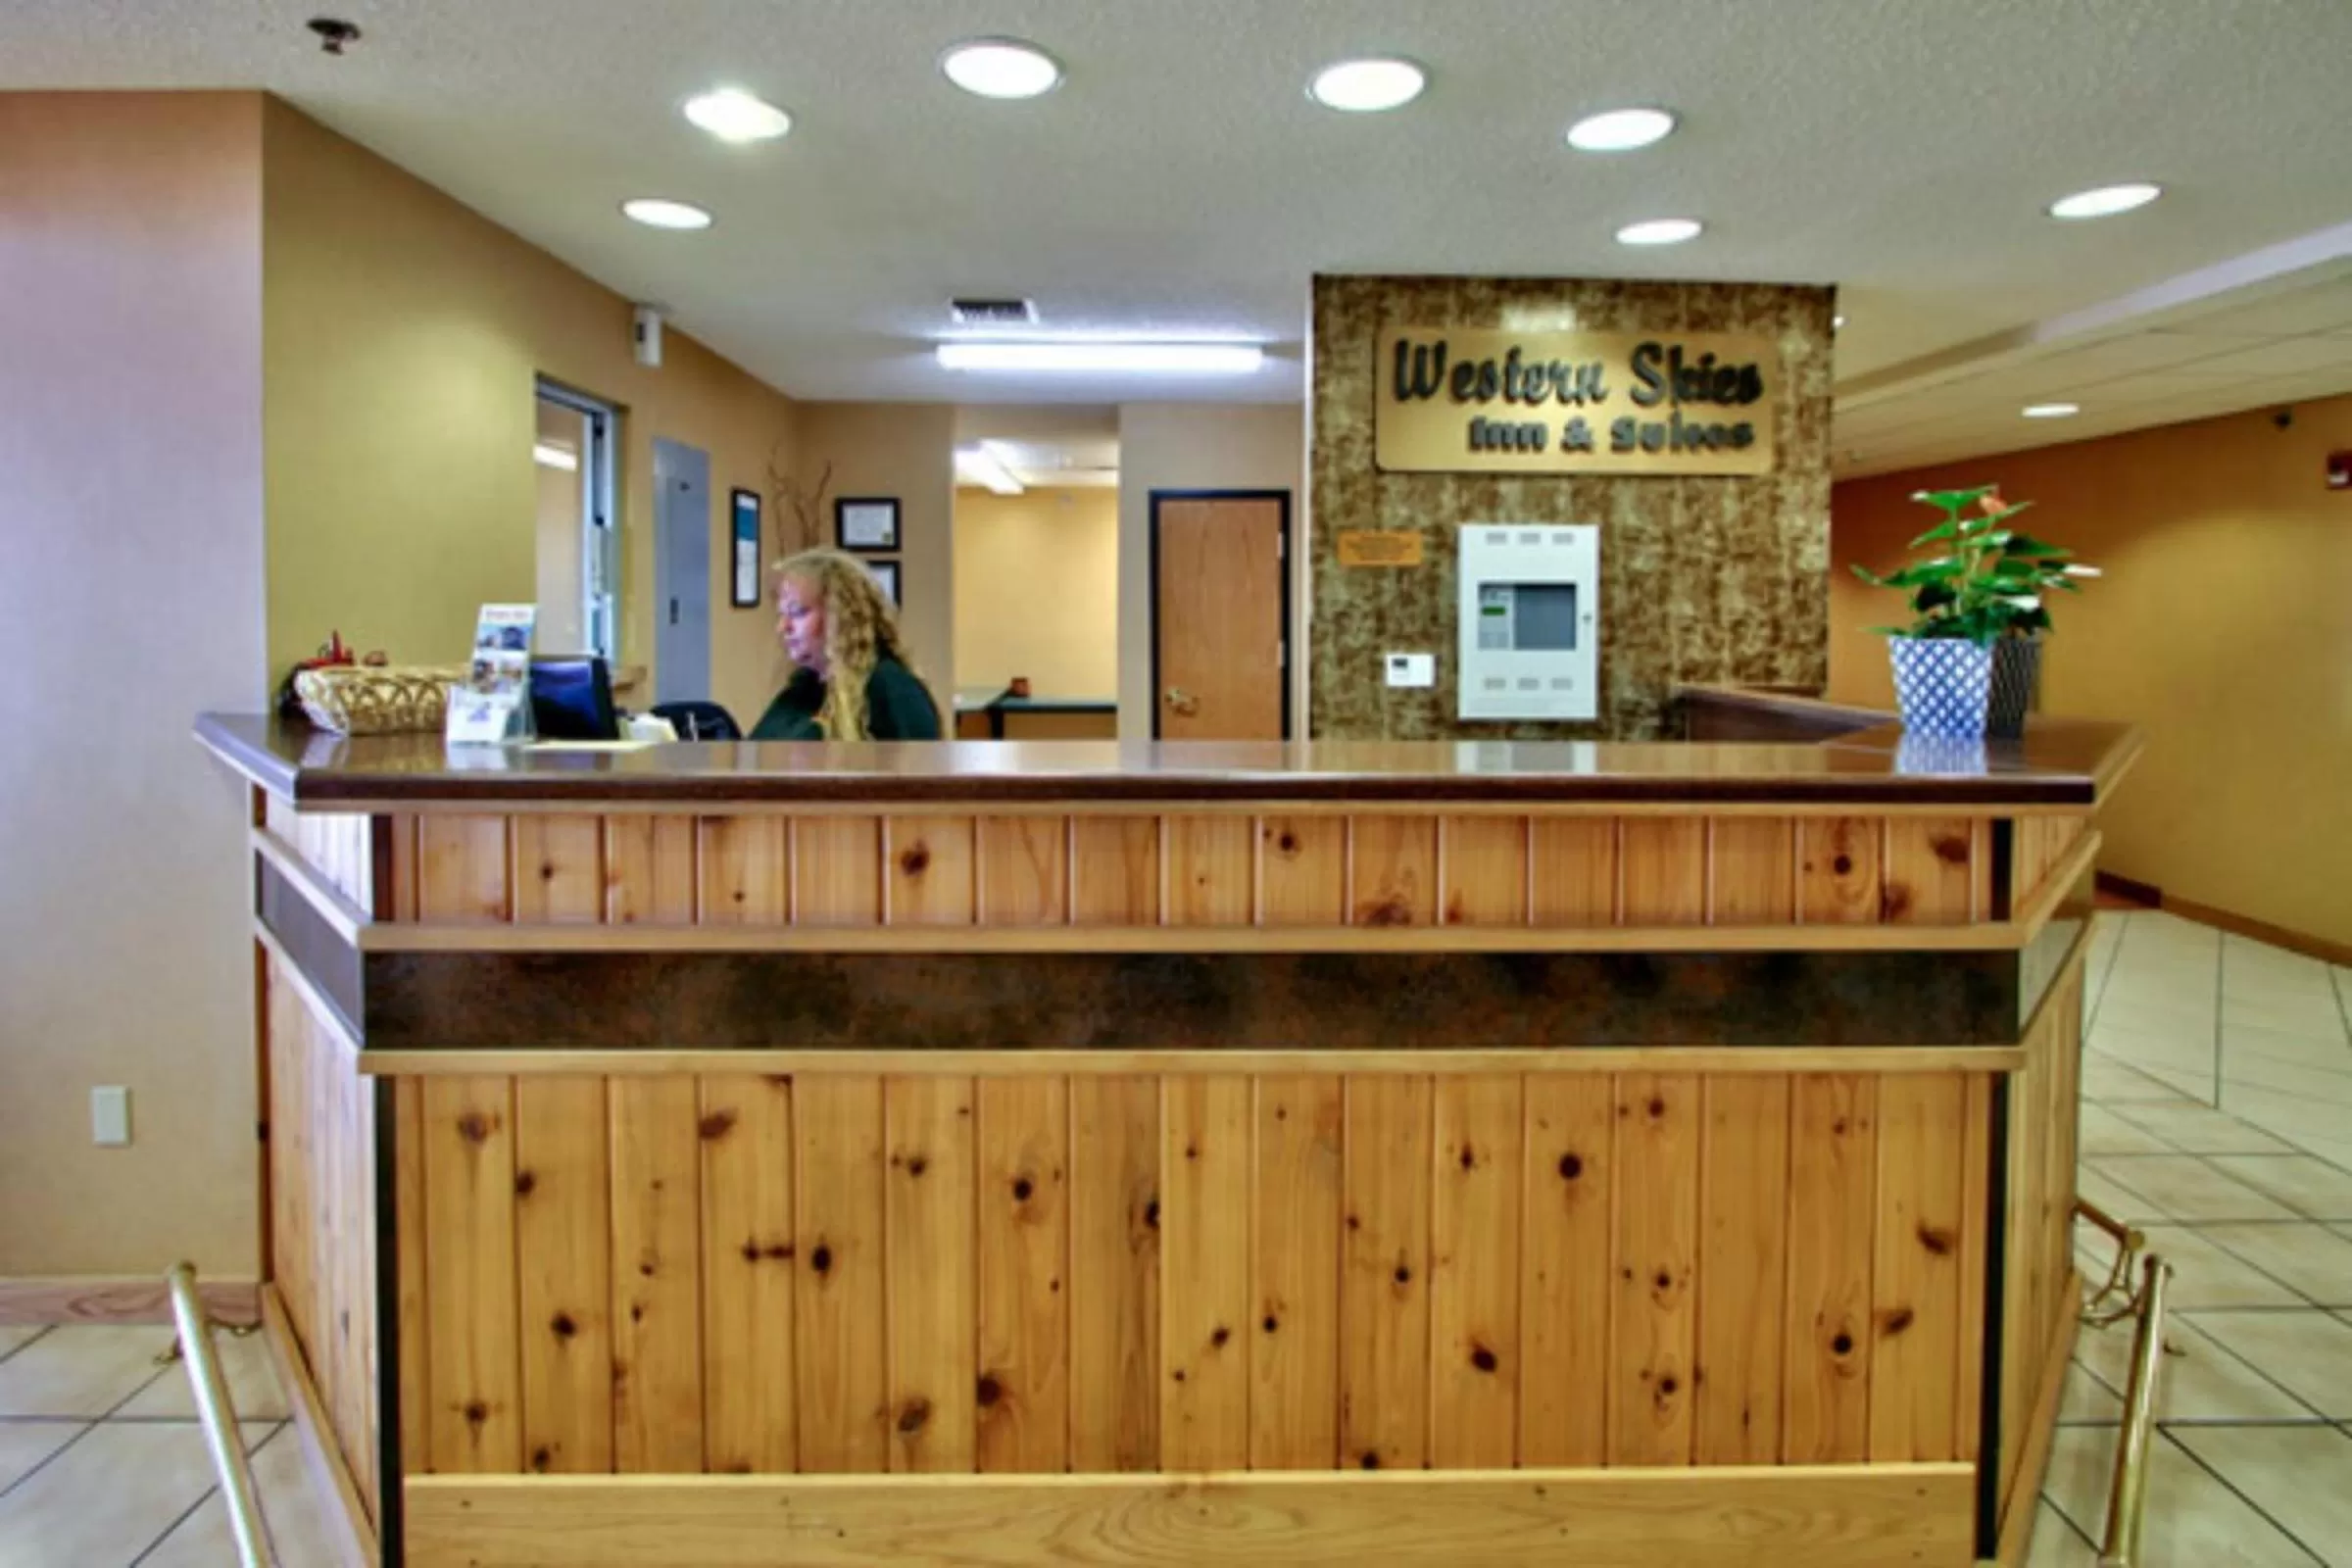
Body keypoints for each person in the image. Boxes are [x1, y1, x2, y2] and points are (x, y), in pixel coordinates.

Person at [749, 548, 943, 741]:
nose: (783, 627)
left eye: (798, 612)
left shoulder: (891, 688)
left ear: (841, 617)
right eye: (782, 614)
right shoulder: (806, 685)